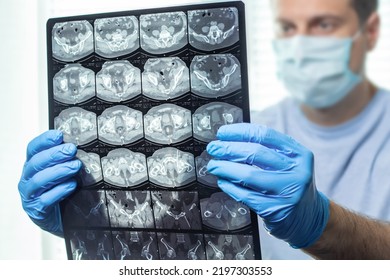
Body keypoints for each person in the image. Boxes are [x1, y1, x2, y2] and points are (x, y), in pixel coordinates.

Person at [18, 0, 390, 259]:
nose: (300, 44)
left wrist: (321, 224)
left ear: (370, 31)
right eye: (288, 28)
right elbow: (175, 247)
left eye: (323, 24)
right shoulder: (236, 132)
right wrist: (91, 223)